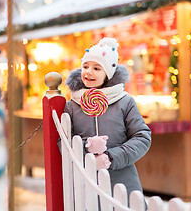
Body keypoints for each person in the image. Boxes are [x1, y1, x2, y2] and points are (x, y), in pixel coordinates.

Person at [63, 37, 151, 197]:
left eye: (97, 68)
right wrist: (86, 146)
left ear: (108, 75)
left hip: (122, 180)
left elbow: (142, 138)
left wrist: (111, 157)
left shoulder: (125, 102)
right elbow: (62, 142)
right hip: (85, 182)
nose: (88, 71)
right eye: (85, 66)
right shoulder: (72, 105)